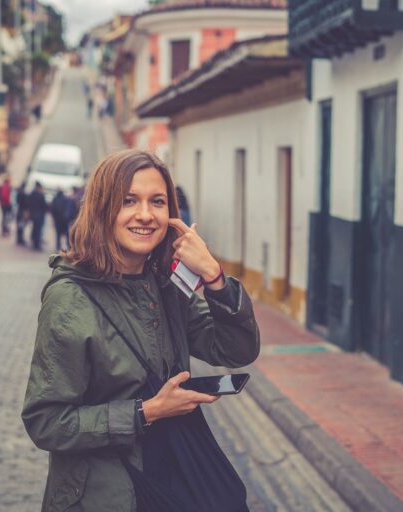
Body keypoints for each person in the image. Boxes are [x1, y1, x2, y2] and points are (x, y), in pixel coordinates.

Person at [22, 149, 259, 512]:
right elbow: (47, 422)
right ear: (102, 209)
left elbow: (234, 350)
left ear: (172, 216)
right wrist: (145, 411)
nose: (146, 215)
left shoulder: (166, 285)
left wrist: (214, 277)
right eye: (129, 201)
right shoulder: (70, 299)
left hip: (177, 472)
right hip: (107, 495)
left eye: (158, 202)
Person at [27, 182, 47, 251]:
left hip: (33, 215)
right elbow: (44, 206)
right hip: (39, 215)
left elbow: (29, 204)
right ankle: (36, 244)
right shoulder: (41, 195)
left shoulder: (32, 194)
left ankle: (33, 241)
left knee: (35, 229)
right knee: (38, 230)